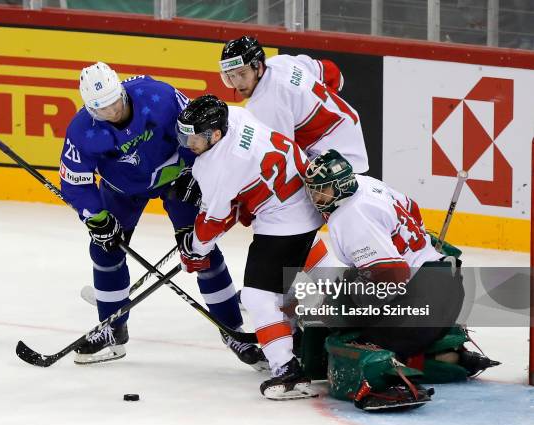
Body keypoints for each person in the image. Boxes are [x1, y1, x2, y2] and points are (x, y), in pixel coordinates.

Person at [59, 62, 266, 369]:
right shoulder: (82, 130)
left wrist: (199, 176)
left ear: (122, 91)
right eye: (102, 110)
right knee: (105, 250)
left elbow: (198, 134)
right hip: (122, 189)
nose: (113, 113)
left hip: (177, 180)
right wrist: (95, 216)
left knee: (200, 249)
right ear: (90, 108)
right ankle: (112, 331)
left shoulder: (158, 96)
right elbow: (75, 180)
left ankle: (232, 330)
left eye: (115, 103)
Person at [302, 150, 499, 410]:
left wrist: (346, 306)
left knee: (342, 330)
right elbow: (413, 211)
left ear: (339, 186)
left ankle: (386, 382)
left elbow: (392, 277)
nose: (315, 198)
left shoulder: (350, 217)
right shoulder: (366, 184)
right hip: (448, 288)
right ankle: (447, 355)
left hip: (420, 310)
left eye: (321, 191)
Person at [176, 94, 325, 400]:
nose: (188, 143)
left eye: (194, 137)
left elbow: (212, 224)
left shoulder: (217, 169)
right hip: (309, 198)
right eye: (184, 134)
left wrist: (194, 252)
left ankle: (288, 371)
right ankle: (307, 344)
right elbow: (245, 184)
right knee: (294, 285)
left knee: (258, 296)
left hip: (287, 219)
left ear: (215, 134)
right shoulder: (234, 116)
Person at [218, 36, 368, 271]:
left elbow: (279, 162)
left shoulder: (265, 105)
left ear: (257, 67)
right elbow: (333, 73)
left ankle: (329, 283)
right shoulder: (282, 63)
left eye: (242, 74)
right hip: (347, 132)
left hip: (338, 158)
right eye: (230, 76)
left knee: (287, 217)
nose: (237, 83)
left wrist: (244, 203)